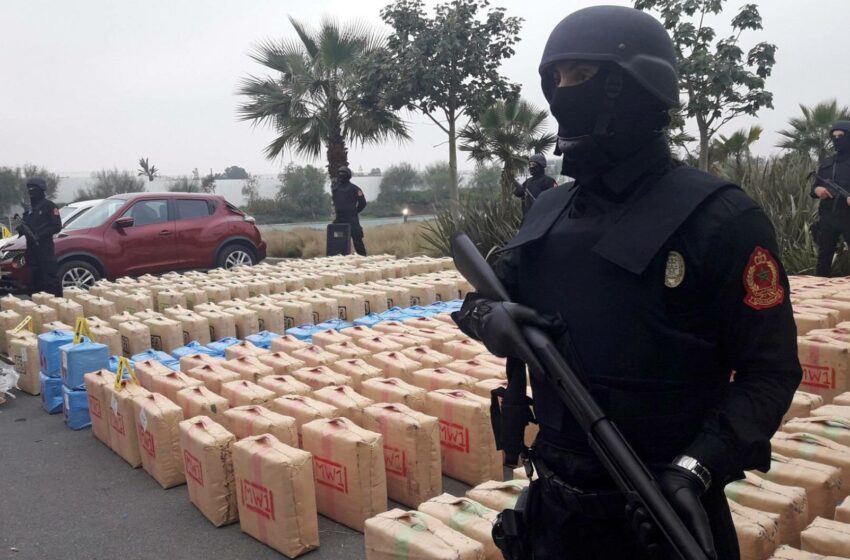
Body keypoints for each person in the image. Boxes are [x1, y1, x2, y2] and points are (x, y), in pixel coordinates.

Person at [452, 6, 801, 560]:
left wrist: (696, 469)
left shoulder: (720, 218)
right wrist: (486, 320)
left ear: (637, 86)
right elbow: (483, 296)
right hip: (554, 518)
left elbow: (770, 372)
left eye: (582, 75)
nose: (563, 92)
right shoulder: (548, 211)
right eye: (556, 78)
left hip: (663, 519)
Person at [811, 121, 850, 276]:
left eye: (841, 136)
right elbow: (814, 188)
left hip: (848, 215)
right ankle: (819, 288)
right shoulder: (827, 162)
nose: (837, 139)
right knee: (823, 259)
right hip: (828, 216)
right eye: (834, 137)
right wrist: (818, 190)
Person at [18, 177, 63, 296]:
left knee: (50, 277)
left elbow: (57, 226)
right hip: (31, 248)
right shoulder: (29, 209)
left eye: (33, 189)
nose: (30, 192)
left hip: (45, 247)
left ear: (40, 189)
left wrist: (41, 235)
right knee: (34, 277)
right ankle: (37, 301)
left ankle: (55, 301)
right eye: (29, 189)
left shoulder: (49, 206)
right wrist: (22, 229)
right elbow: (26, 224)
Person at [331, 166, 368, 256]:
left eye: (343, 174)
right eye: (340, 174)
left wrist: (355, 212)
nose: (341, 176)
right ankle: (339, 259)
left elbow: (363, 203)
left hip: (352, 219)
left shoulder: (355, 189)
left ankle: (363, 258)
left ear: (348, 176)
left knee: (357, 241)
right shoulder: (335, 189)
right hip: (339, 220)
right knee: (337, 241)